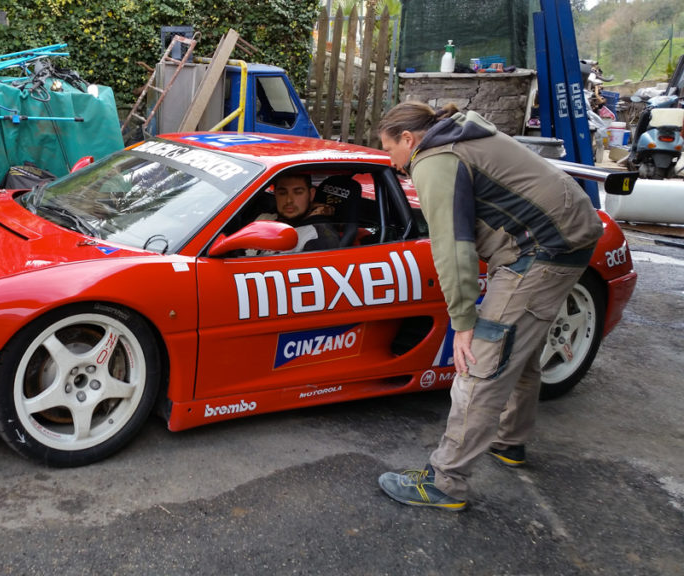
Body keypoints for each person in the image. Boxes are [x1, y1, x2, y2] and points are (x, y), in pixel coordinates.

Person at [375, 101, 604, 511]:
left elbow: (451, 247)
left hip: (542, 251)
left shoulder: (434, 159)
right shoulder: (461, 134)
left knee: (482, 364)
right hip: (571, 234)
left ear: (408, 139)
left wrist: (464, 323)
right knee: (518, 348)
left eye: (390, 150)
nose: (393, 164)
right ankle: (508, 441)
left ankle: (445, 482)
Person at [253, 173, 340, 253]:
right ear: (275, 194)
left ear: (311, 194)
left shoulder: (316, 237)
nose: (289, 200)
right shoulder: (264, 218)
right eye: (282, 193)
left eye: (298, 192)